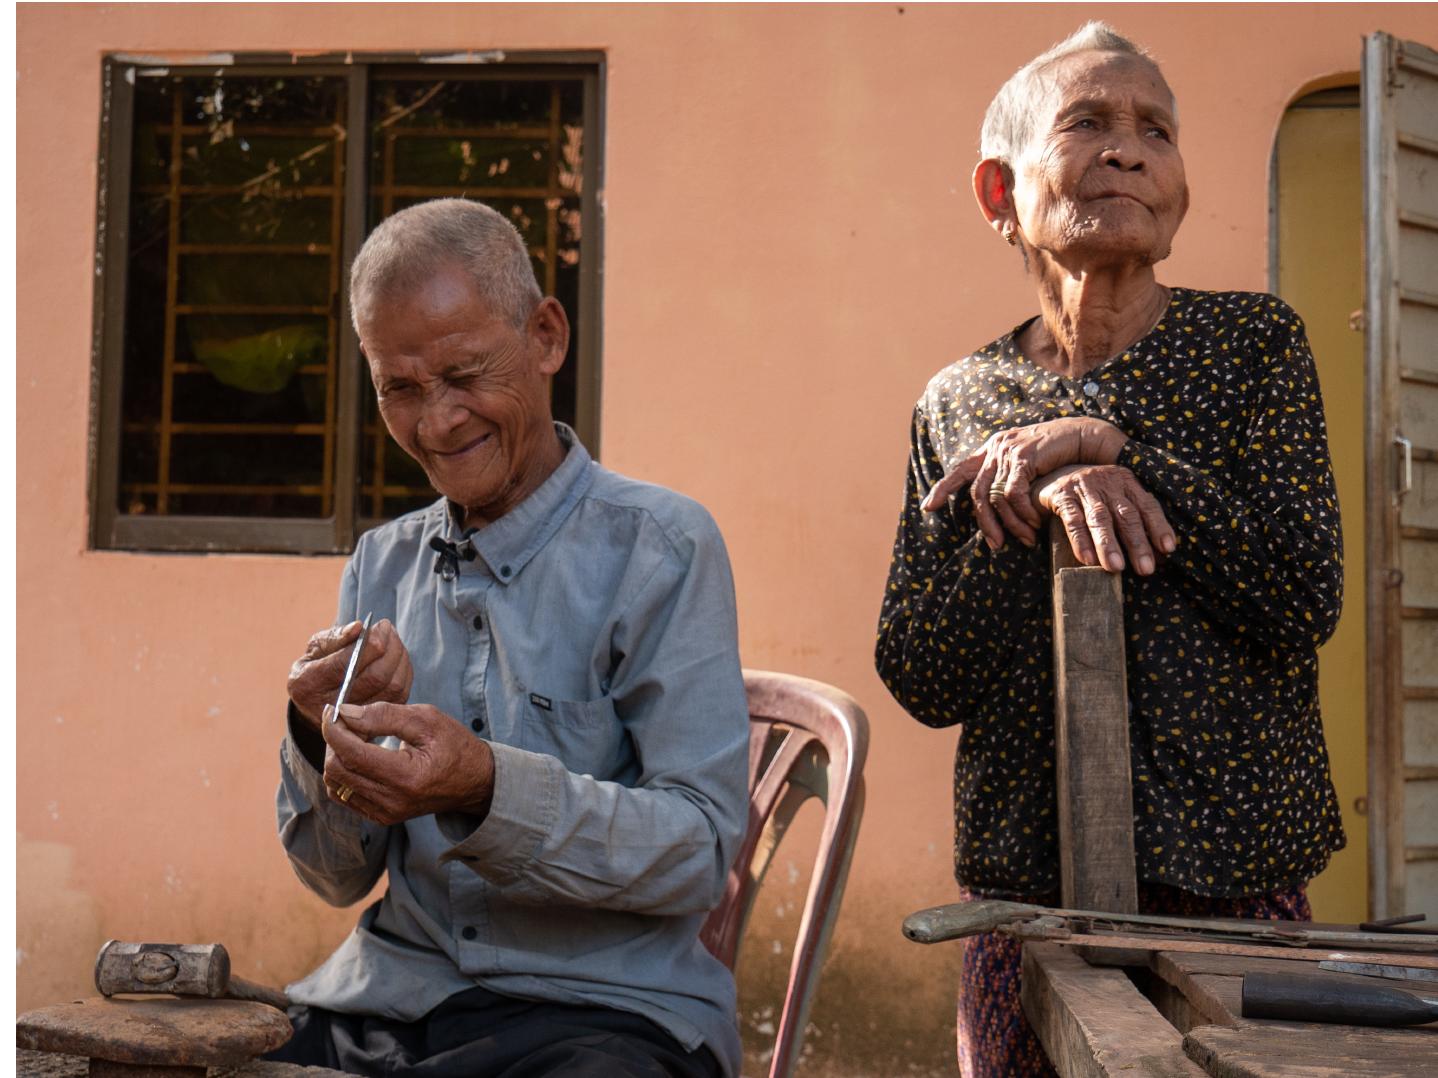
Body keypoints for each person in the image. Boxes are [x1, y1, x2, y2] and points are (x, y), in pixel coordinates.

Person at [874, 22, 1345, 1077]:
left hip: (1232, 879)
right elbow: (919, 671)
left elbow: (1300, 596)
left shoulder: (1254, 346)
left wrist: (1119, 448)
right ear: (998, 192)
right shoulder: (959, 400)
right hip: (1026, 900)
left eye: (1155, 131)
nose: (1128, 150)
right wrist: (1033, 502)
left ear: (1179, 189)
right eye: (1086, 122)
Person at [268, 198, 749, 1078]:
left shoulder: (660, 548)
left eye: (463, 374)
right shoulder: (381, 564)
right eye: (400, 389)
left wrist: (486, 787)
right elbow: (336, 880)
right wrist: (314, 733)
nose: (437, 422)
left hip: (604, 1016)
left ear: (546, 336)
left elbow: (698, 853)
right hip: (394, 1001)